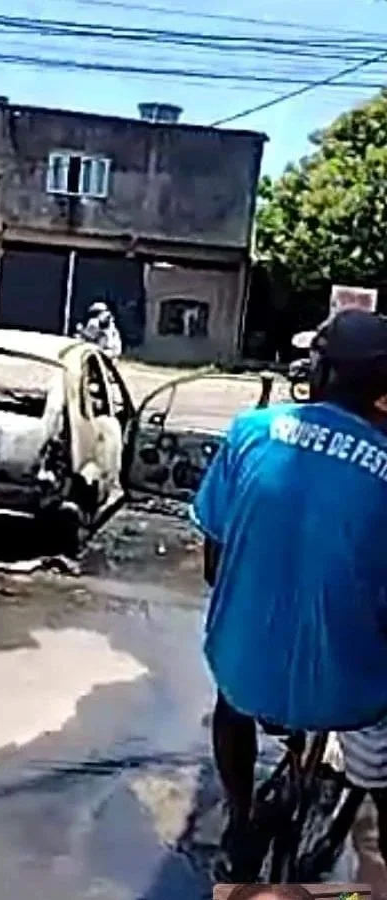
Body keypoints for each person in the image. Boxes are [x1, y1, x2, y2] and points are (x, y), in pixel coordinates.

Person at [192, 309, 387, 879]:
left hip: (245, 671)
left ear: (318, 371)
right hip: (351, 694)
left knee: (230, 705)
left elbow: (213, 562)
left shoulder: (250, 432)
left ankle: (238, 816)